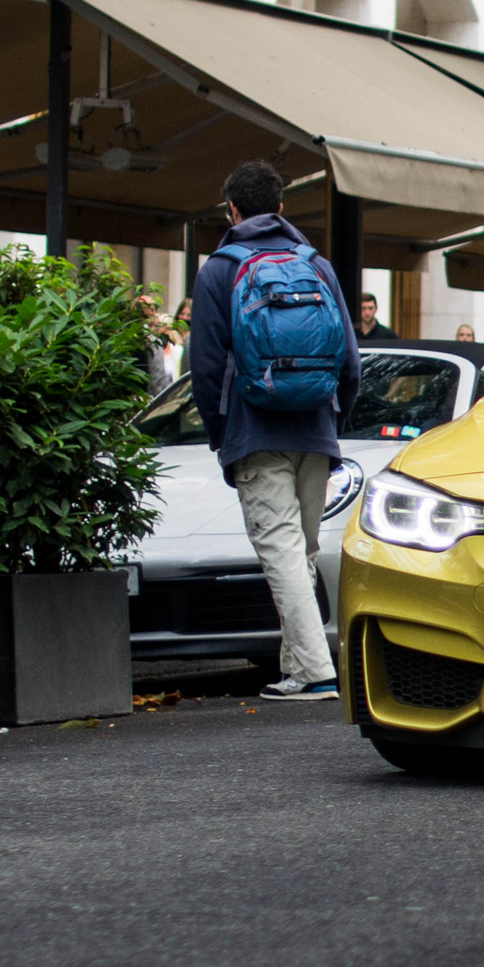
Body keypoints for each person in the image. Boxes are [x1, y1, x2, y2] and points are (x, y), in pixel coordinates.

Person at [188, 159, 362, 700]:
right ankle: (297, 665)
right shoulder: (318, 264)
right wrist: (334, 416)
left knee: (282, 550)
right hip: (315, 427)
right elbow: (350, 359)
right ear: (282, 208)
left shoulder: (219, 269)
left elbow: (208, 366)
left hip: (256, 430)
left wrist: (223, 437)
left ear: (231, 210)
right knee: (301, 550)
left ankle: (314, 672)